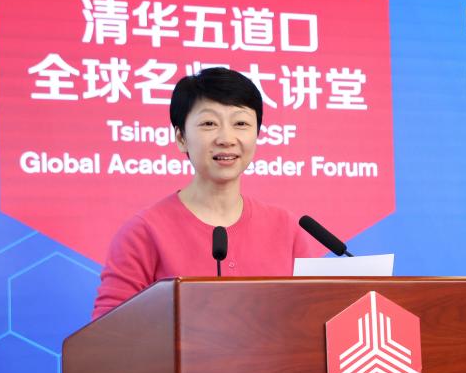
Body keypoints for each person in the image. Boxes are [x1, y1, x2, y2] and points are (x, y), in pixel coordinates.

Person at [92, 67, 323, 319]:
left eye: (241, 123)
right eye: (209, 124)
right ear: (181, 138)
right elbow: (107, 332)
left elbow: (312, 317)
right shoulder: (144, 232)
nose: (226, 138)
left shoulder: (286, 228)